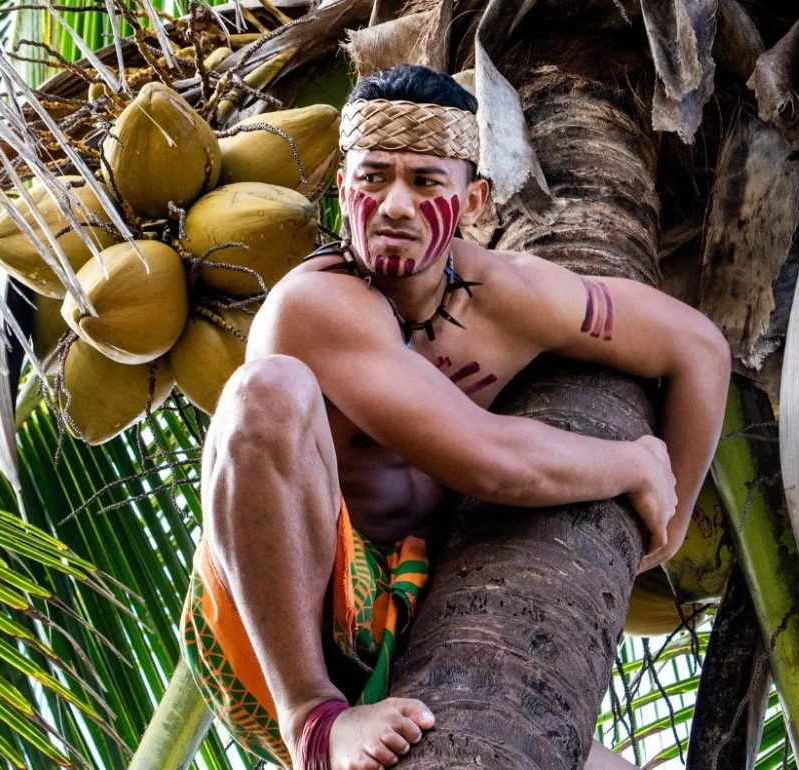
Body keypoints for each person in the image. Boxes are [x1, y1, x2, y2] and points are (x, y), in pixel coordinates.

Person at [181, 64, 731, 770]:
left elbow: (698, 348)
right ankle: (313, 723)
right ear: (342, 190)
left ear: (472, 200)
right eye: (373, 177)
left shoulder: (510, 295)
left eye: (426, 182)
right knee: (269, 390)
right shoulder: (314, 304)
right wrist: (634, 464)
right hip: (290, 630)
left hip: (428, 626)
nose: (396, 205)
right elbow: (486, 457)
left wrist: (669, 520)